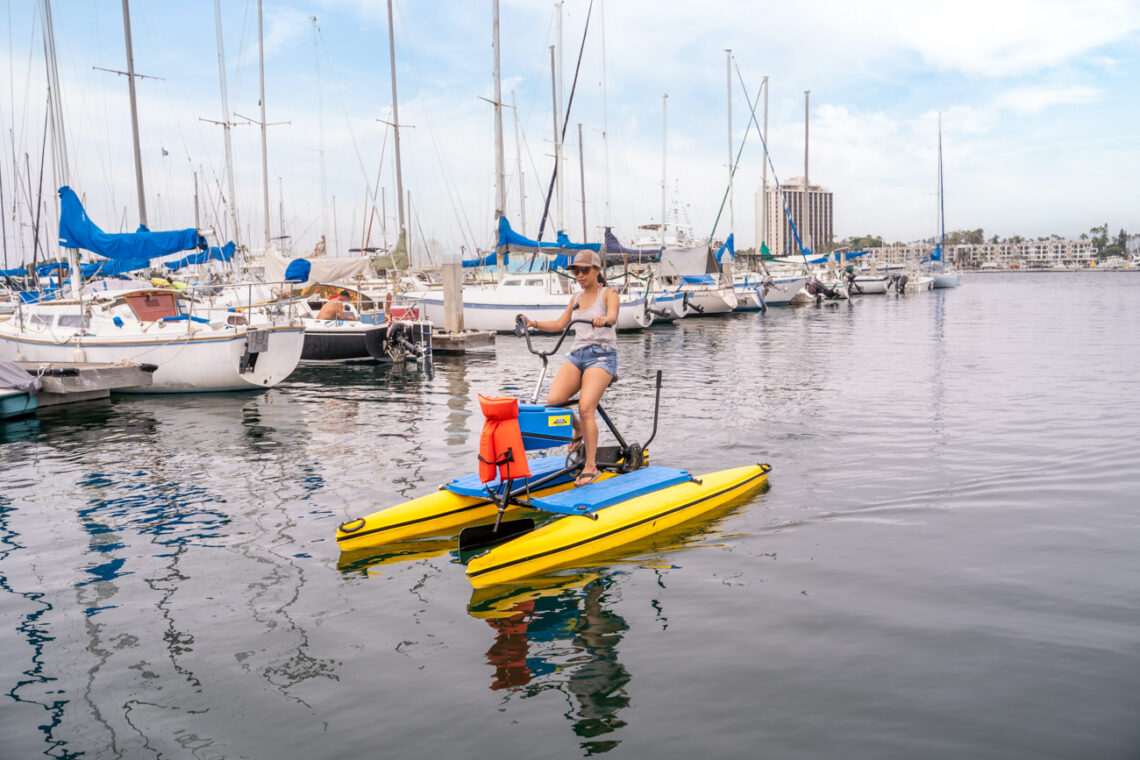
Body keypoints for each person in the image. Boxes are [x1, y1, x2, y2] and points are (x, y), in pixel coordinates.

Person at [524, 250, 619, 487]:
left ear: (597, 270)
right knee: (554, 401)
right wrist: (532, 323)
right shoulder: (575, 298)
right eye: (576, 270)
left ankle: (591, 466)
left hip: (602, 356)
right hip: (577, 356)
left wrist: (604, 319)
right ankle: (577, 431)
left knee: (587, 408)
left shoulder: (608, 294)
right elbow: (559, 324)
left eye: (585, 270)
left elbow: (614, 316)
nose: (579, 274)